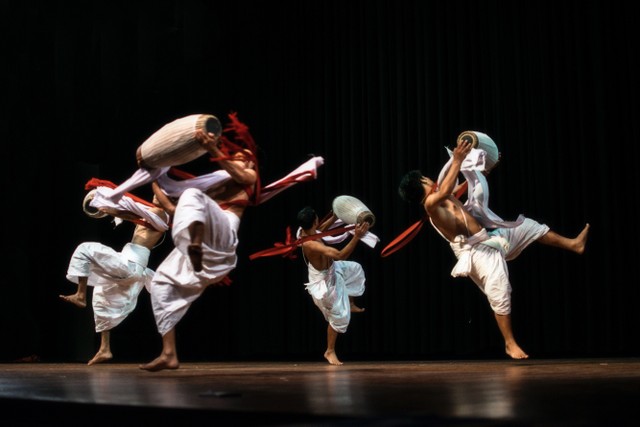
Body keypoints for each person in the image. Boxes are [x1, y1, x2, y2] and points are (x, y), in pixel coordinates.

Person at [397, 137, 589, 360]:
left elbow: (466, 185)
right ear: (420, 186)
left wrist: (486, 169)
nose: (430, 179)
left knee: (529, 227)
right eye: (425, 179)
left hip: (491, 238)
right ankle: (510, 344)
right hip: (476, 252)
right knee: (500, 289)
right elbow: (448, 186)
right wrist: (457, 159)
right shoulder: (431, 205)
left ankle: (573, 244)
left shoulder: (444, 196)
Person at [139, 129, 258, 372]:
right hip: (205, 247)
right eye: (235, 155)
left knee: (191, 194)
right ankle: (169, 353)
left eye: (242, 156)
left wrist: (214, 149)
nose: (238, 157)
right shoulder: (212, 186)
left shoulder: (249, 175)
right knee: (160, 282)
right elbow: (172, 209)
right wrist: (154, 178)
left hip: (223, 236)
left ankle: (193, 244)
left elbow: (241, 176)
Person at [61, 202, 168, 365]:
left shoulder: (161, 214)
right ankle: (105, 349)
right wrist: (110, 206)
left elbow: (135, 217)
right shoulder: (150, 212)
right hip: (131, 266)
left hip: (131, 265)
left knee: (85, 249)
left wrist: (111, 210)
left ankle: (80, 294)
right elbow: (133, 214)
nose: (154, 194)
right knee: (102, 296)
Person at [296, 207, 370, 366]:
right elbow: (339, 255)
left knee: (355, 269)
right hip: (324, 281)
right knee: (339, 315)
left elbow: (322, 229)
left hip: (332, 269)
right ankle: (329, 351)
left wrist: (335, 215)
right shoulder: (310, 244)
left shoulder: (309, 231)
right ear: (314, 220)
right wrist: (356, 237)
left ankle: (350, 302)